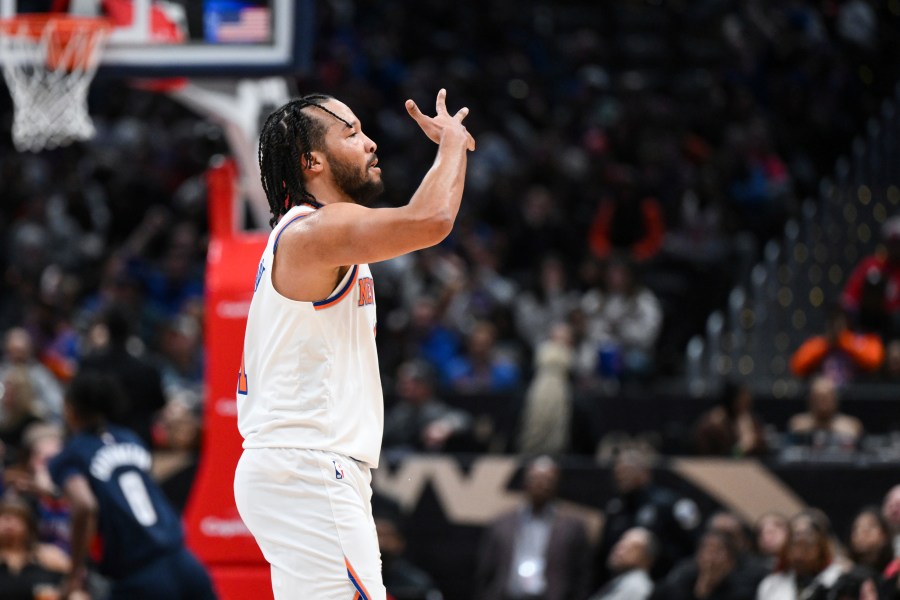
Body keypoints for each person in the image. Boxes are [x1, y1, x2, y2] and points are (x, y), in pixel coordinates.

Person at [233, 89, 474, 600]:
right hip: (309, 466)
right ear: (311, 160)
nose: (370, 144)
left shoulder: (316, 235)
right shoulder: (317, 229)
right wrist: (452, 143)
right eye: (351, 133)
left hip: (299, 467)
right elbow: (431, 220)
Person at [47, 371, 217, 600]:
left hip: (140, 577)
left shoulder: (72, 453)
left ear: (69, 408)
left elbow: (84, 505)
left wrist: (75, 570)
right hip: (185, 563)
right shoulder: (129, 438)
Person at [474, 455, 592, 600]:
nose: (542, 484)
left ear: (557, 484)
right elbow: (486, 571)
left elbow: (582, 575)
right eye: (536, 479)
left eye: (548, 480)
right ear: (525, 482)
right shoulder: (501, 523)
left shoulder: (572, 526)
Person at [594, 448, 702, 585]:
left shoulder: (669, 504)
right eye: (618, 473)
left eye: (627, 471)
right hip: (619, 583)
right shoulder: (614, 509)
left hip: (661, 582)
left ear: (645, 473)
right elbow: (604, 553)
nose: (622, 478)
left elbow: (691, 548)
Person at [382, 359, 474, 453]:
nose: (405, 387)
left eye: (412, 383)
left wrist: (444, 426)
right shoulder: (400, 413)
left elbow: (463, 419)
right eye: (402, 382)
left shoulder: (435, 410)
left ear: (425, 385)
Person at [755, 511, 845, 600]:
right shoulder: (770, 585)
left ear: (822, 546)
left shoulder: (840, 580)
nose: (799, 554)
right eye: (794, 545)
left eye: (807, 546)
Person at [789, 306, 884, 385]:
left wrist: (843, 340)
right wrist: (827, 344)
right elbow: (796, 366)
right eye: (832, 322)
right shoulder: (820, 343)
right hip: (826, 393)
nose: (835, 326)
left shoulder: (854, 341)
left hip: (854, 394)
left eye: (839, 322)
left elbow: (875, 360)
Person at [0, 496, 71, 600]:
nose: (9, 522)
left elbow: (76, 582)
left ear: (29, 526)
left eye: (17, 517)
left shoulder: (49, 554)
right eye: (4, 517)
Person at [786, 375, 864, 453]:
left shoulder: (852, 425)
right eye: (818, 398)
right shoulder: (797, 423)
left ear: (835, 399)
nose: (822, 403)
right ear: (810, 400)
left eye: (826, 398)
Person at [693, 380, 768, 457]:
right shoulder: (712, 425)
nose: (747, 406)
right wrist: (742, 448)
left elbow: (764, 449)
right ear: (733, 401)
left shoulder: (749, 420)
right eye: (743, 401)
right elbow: (724, 459)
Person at [588, 527, 657, 600]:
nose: (619, 549)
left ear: (647, 558)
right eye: (622, 542)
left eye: (632, 547)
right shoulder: (624, 579)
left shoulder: (636, 586)